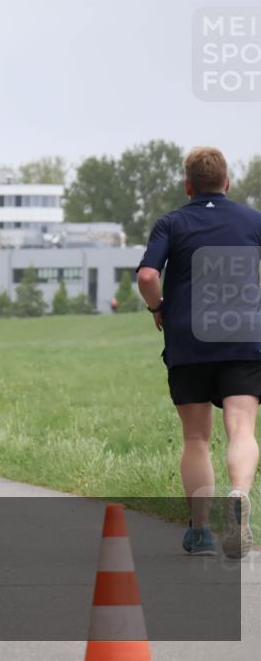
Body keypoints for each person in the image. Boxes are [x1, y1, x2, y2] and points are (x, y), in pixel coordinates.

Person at [136, 146, 259, 560]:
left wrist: (157, 308)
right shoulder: (253, 221)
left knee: (196, 437)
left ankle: (201, 531)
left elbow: (148, 275)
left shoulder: (172, 223)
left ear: (188, 186)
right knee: (241, 428)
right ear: (227, 182)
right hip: (243, 336)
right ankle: (238, 494)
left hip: (189, 339)